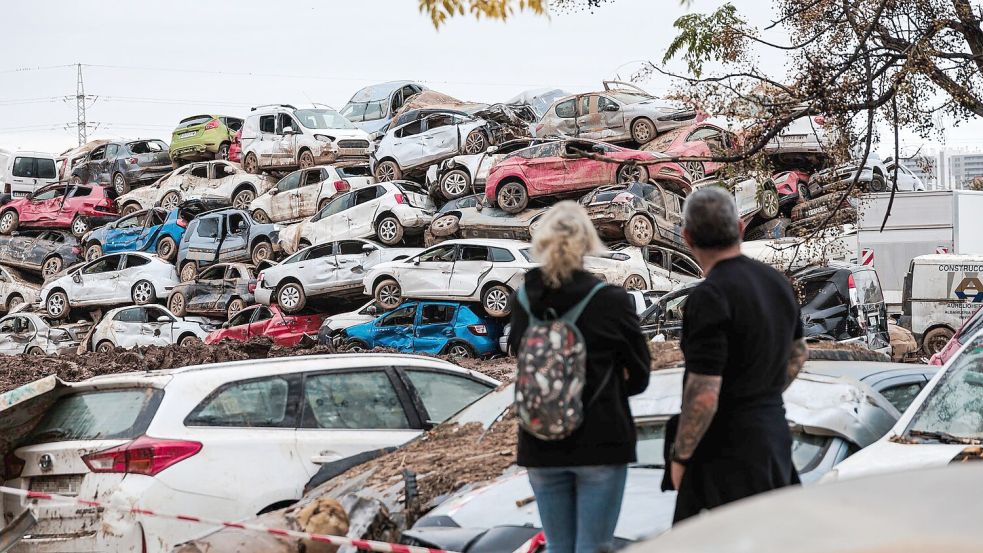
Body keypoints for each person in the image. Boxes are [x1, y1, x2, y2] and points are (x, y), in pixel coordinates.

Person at [508, 201, 651, 553]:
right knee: (594, 548)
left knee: (559, 548)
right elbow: (642, 375)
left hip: (540, 442)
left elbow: (518, 355)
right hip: (600, 439)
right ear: (588, 242)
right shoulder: (611, 301)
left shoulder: (523, 300)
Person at [669, 187, 808, 523]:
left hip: (724, 449)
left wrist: (681, 456)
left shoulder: (709, 296)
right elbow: (799, 353)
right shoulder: (777, 282)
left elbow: (704, 394)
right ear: (741, 228)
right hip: (772, 435)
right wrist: (761, 392)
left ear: (687, 237)